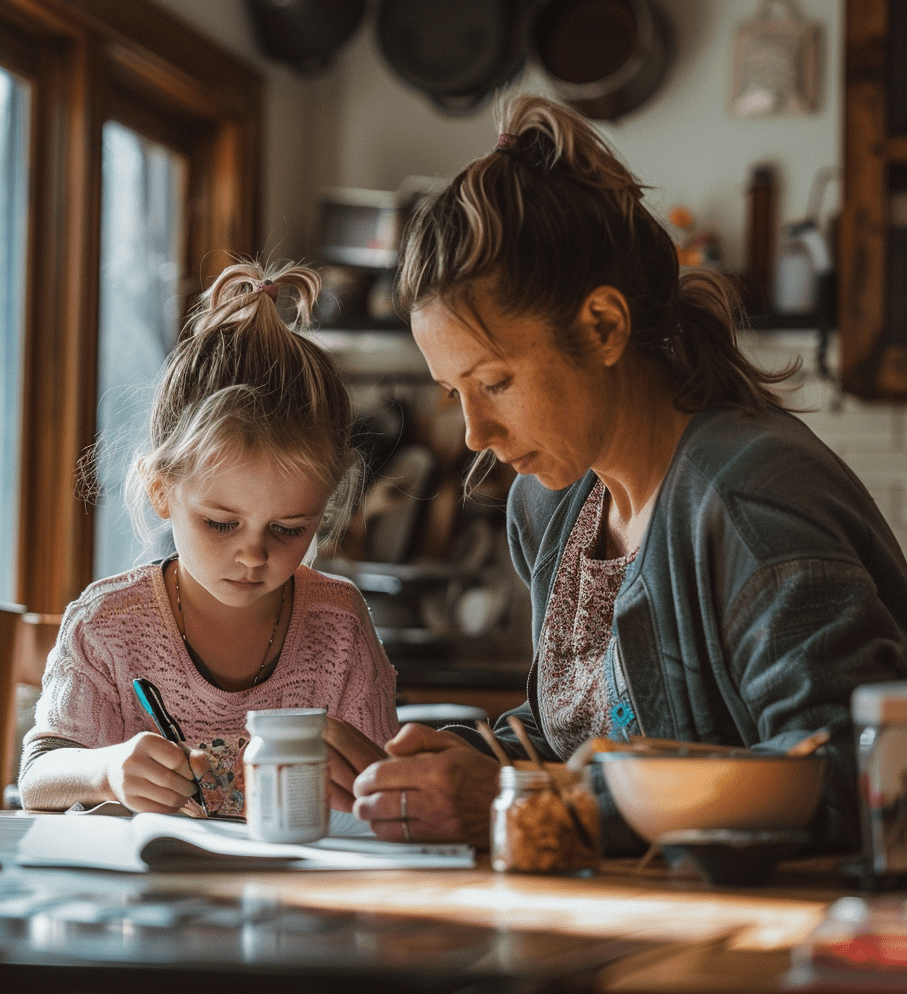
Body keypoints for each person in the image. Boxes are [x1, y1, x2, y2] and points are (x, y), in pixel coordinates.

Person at [325, 93, 907, 854]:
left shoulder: (746, 499)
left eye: (495, 382)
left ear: (603, 326)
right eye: (453, 393)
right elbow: (571, 732)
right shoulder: (551, 503)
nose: (474, 433)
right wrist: (460, 761)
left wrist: (534, 806)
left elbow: (846, 778)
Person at [19, 261, 398, 816]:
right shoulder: (107, 627)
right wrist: (106, 770)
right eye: (221, 523)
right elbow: (37, 777)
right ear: (161, 490)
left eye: (289, 529)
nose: (253, 554)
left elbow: (381, 788)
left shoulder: (338, 625)